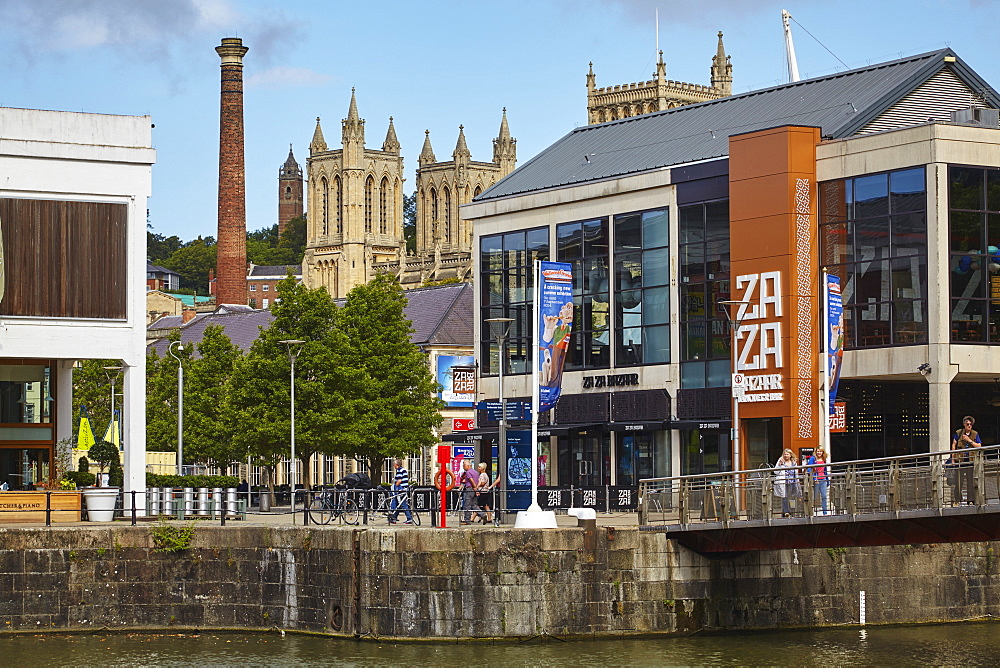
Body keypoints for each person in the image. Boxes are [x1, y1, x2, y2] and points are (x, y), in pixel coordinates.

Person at [950, 416, 981, 504]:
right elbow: (954, 445)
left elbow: (979, 446)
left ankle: (970, 500)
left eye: (971, 424)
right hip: (960, 461)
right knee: (958, 482)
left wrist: (969, 440)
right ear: (964, 424)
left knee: (971, 482)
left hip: (970, 461)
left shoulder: (975, 434)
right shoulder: (958, 433)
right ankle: (957, 500)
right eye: (967, 424)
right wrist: (953, 459)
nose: (969, 426)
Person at [773, 449, 800, 517]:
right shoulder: (781, 460)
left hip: (792, 482)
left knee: (791, 497)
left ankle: (791, 511)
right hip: (783, 482)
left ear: (790, 455)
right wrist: (779, 465)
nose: (786, 455)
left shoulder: (793, 462)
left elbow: (796, 472)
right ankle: (786, 512)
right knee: (784, 497)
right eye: (785, 454)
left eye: (787, 454)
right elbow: (775, 472)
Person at [387, 458, 414, 524]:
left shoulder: (400, 470)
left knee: (403, 504)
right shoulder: (403, 470)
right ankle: (394, 518)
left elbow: (399, 480)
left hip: (401, 489)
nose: (393, 466)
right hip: (403, 488)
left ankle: (409, 518)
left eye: (394, 465)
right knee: (397, 503)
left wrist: (395, 487)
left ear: (396, 465)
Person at [459, 459, 486, 525]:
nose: (463, 466)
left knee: (467, 505)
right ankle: (482, 514)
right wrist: (476, 489)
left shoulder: (468, 472)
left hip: (470, 489)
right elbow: (478, 480)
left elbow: (471, 480)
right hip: (474, 489)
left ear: (468, 466)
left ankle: (467, 520)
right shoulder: (476, 472)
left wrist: (474, 487)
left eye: (464, 465)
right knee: (474, 504)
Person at [806, 448, 830, 515]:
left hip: (823, 479)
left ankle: (824, 511)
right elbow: (809, 468)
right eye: (818, 451)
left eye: (820, 451)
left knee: (824, 496)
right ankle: (811, 510)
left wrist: (827, 480)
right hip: (816, 479)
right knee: (814, 496)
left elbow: (825, 470)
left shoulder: (823, 459)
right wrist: (813, 478)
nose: (819, 453)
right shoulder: (813, 458)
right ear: (816, 452)